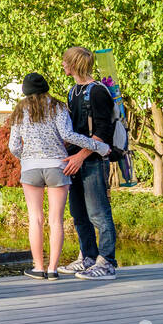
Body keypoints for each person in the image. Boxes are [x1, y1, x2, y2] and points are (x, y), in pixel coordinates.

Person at [7, 72, 110, 279]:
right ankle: (53, 270)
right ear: (45, 87)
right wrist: (98, 146)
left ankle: (38, 268)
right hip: (57, 166)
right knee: (56, 220)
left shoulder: (19, 111)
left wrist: (26, 158)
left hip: (31, 168)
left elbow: (13, 146)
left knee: (35, 219)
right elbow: (68, 136)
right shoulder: (59, 107)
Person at [60, 46, 120, 279]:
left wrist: (80, 156)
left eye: (66, 62)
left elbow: (103, 131)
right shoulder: (73, 91)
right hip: (75, 160)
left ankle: (107, 263)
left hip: (93, 160)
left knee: (99, 213)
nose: (63, 65)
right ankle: (88, 257)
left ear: (74, 65)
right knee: (78, 213)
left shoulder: (97, 92)